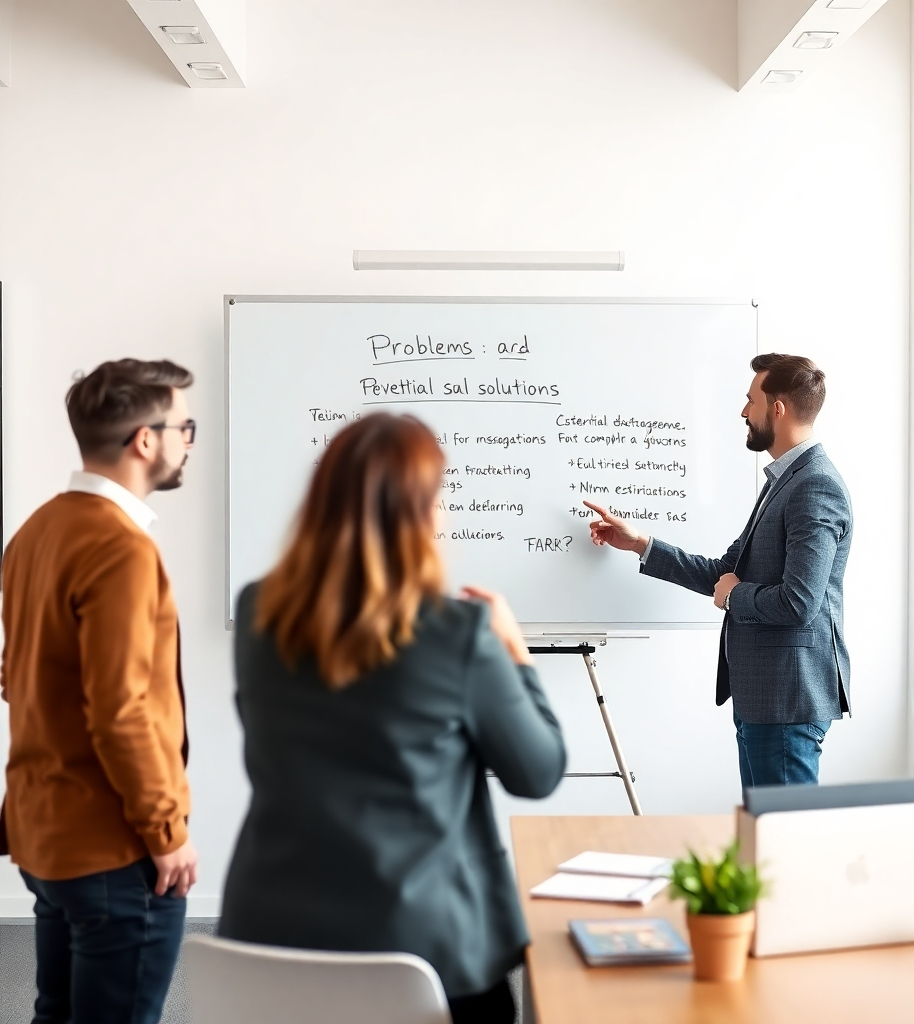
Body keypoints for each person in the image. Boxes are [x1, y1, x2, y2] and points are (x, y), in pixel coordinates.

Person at [218, 412, 565, 1024]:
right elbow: (537, 772)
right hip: (426, 956)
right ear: (422, 513)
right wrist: (518, 655)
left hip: (268, 938)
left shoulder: (256, 614)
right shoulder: (459, 636)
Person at [0, 359, 198, 1024]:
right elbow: (122, 710)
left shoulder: (36, 533)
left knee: (56, 1014)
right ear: (146, 440)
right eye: (183, 427)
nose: (186, 443)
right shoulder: (121, 549)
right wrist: (165, 830)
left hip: (47, 836)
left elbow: (17, 676)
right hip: (113, 846)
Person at [586, 353, 852, 789]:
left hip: (785, 700)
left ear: (778, 408)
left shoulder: (814, 485)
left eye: (751, 400)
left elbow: (798, 603)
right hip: (764, 698)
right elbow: (725, 570)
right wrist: (639, 544)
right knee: (763, 841)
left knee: (782, 843)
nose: (744, 411)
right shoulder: (784, 481)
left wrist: (733, 595)